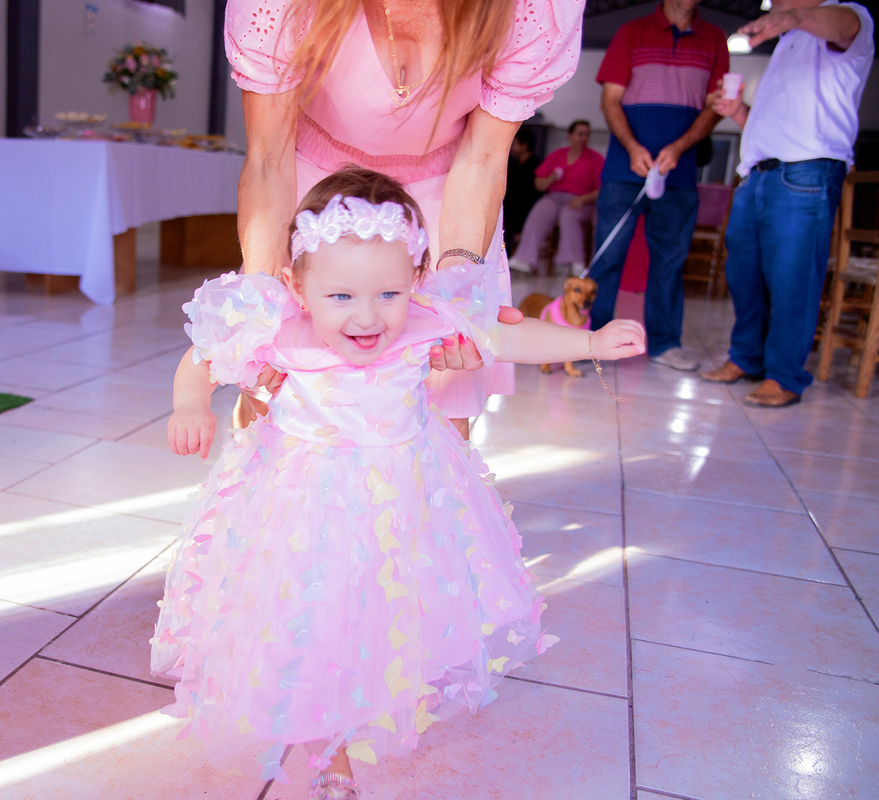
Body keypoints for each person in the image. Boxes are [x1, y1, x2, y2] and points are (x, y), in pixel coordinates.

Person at [156, 168, 646, 798]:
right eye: (341, 298)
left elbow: (502, 335)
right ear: (295, 287)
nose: (367, 317)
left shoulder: (425, 320)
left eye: (387, 294)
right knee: (311, 610)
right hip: (304, 504)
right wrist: (190, 404)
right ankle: (326, 749)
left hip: (402, 498)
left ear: (415, 282)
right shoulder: (279, 331)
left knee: (385, 607)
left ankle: (368, 694)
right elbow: (200, 357)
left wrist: (592, 340)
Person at [226, 0, 584, 439]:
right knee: (281, 405)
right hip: (315, 198)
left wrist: (458, 288)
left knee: (436, 423)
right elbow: (267, 158)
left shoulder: (535, 9)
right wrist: (261, 302)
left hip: (452, 196)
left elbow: (484, 159)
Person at [700, 0, 873, 407]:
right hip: (758, 171)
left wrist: (793, 18)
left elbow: (844, 25)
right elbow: (777, 120)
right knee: (743, 274)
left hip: (806, 173)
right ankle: (747, 358)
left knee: (793, 279)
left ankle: (785, 376)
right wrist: (739, 111)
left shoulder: (846, 17)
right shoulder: (788, 42)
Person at [586, 0, 728, 372]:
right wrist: (633, 148)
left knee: (669, 261)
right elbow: (610, 99)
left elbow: (716, 107)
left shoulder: (715, 40)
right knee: (608, 256)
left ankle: (665, 344)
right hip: (624, 170)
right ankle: (591, 339)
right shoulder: (631, 33)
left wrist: (680, 148)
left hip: (679, 175)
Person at [508, 120, 604, 276]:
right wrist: (549, 179)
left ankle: (574, 261)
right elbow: (538, 183)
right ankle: (524, 258)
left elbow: (602, 188)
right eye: (580, 134)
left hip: (580, 201)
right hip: (554, 197)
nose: (584, 138)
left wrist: (583, 199)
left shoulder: (595, 159)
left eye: (587, 134)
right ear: (570, 135)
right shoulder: (558, 154)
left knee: (569, 214)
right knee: (540, 209)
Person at [503, 127, 542, 250]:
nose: (512, 147)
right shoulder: (513, 164)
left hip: (526, 207)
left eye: (514, 143)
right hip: (511, 206)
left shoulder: (536, 165)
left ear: (524, 145)